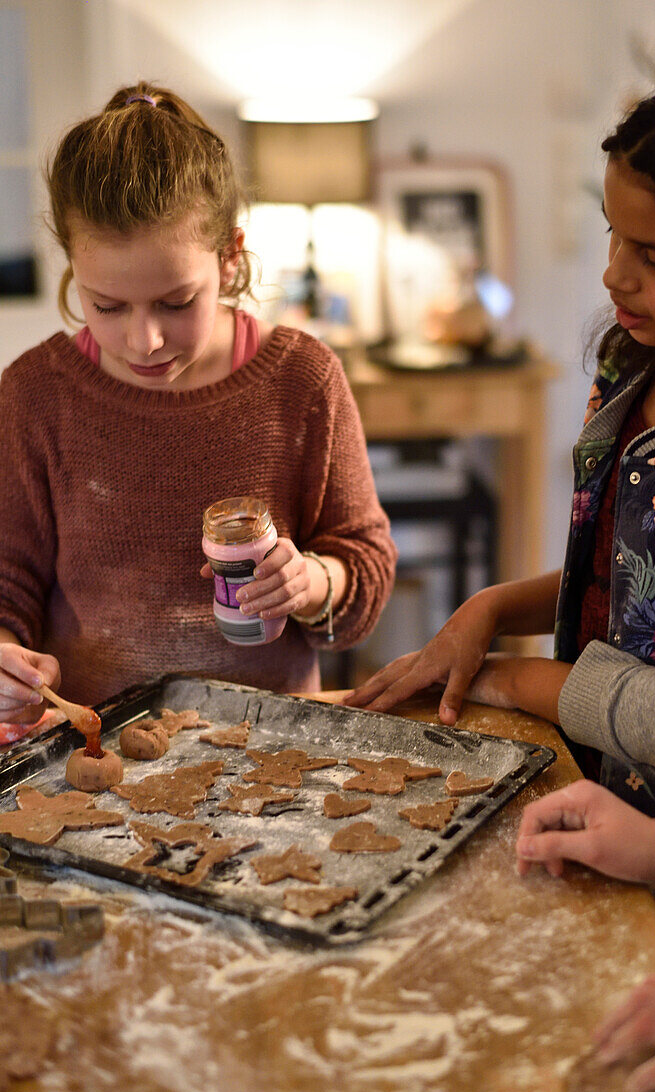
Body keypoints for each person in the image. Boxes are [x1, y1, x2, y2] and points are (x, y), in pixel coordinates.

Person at [348, 84, 655, 989]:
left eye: (654, 254)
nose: (613, 274)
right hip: (598, 797)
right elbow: (633, 574)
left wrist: (511, 678)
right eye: (610, 232)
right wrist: (489, 607)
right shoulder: (633, 359)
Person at [0, 81, 396, 728]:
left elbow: (364, 566)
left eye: (176, 302)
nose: (143, 340)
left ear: (230, 256)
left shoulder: (303, 381)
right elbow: (7, 583)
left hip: (270, 741)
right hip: (102, 746)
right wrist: (8, 658)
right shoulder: (35, 395)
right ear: (72, 264)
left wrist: (311, 582)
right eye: (106, 306)